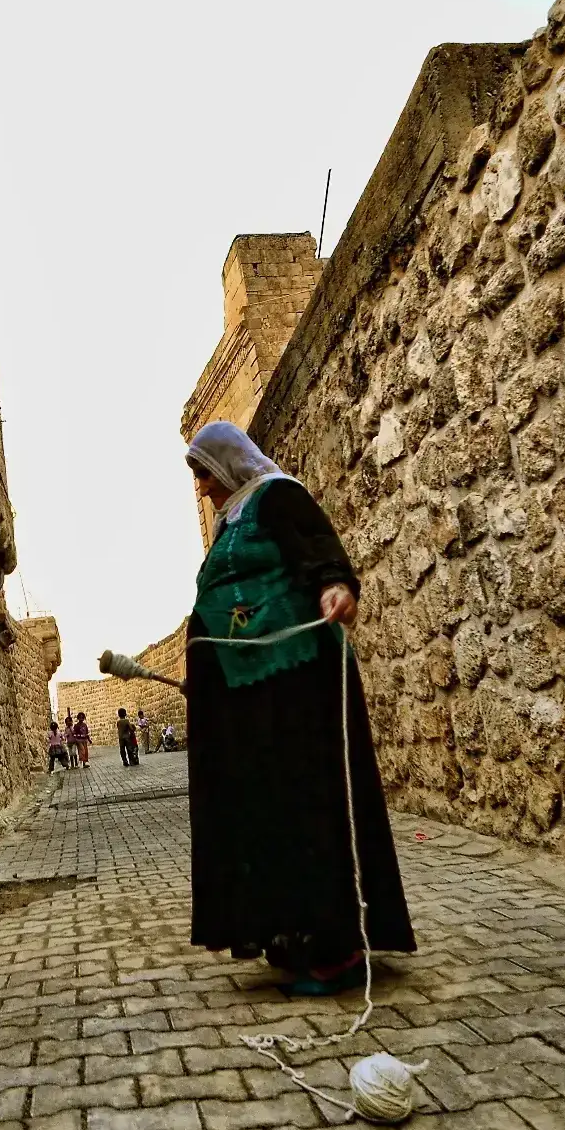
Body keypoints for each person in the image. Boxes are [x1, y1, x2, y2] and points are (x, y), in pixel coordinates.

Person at [181, 421, 415, 994]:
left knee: (309, 798)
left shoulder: (278, 496)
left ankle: (336, 943)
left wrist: (336, 584)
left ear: (230, 462)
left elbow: (317, 547)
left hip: (295, 686)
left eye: (206, 473)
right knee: (265, 807)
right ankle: (289, 930)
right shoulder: (229, 520)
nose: (204, 488)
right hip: (247, 698)